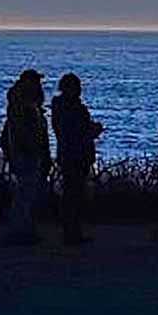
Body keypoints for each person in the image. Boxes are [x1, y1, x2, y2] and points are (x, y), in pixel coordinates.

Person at [50, 73, 104, 244]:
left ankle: (73, 230)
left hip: (72, 153)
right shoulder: (69, 108)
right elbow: (74, 131)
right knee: (73, 194)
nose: (79, 90)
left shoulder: (63, 107)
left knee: (74, 193)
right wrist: (92, 130)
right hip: (74, 154)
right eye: (76, 87)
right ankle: (71, 232)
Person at [0, 68, 51, 244]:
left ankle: (24, 230)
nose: (39, 86)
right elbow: (27, 134)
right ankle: (21, 231)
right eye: (36, 82)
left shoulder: (25, 107)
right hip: (26, 154)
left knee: (26, 193)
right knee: (25, 194)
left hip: (26, 153)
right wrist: (33, 149)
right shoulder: (24, 109)